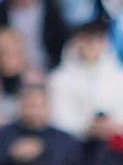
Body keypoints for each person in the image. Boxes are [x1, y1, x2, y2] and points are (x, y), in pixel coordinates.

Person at [48, 21, 123, 157]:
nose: (92, 46)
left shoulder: (119, 76)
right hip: (75, 148)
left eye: (98, 40)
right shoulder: (59, 79)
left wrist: (112, 125)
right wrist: (87, 128)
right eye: (87, 40)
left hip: (116, 145)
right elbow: (59, 120)